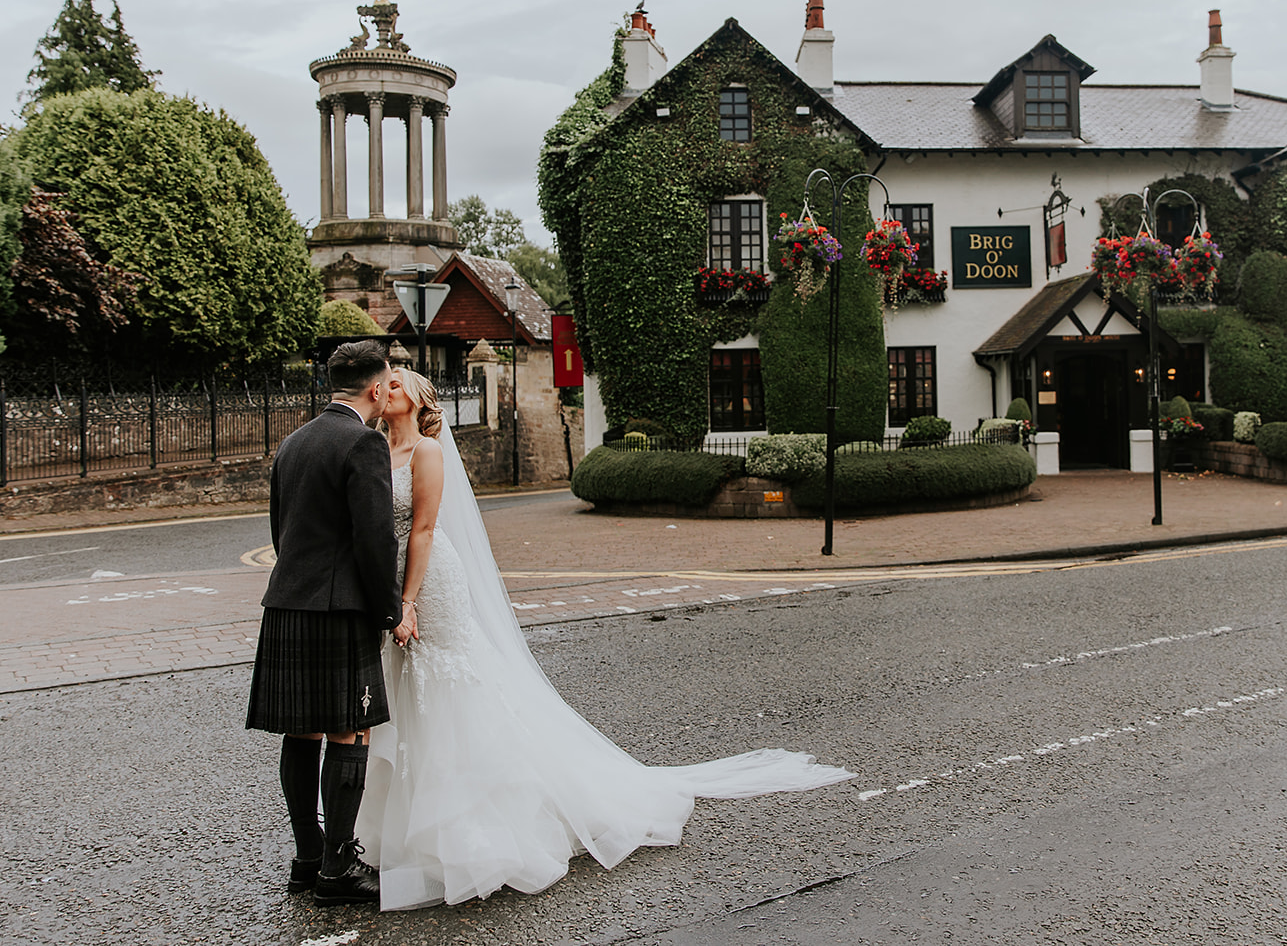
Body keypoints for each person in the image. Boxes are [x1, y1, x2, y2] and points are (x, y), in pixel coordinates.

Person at [360, 367, 854, 910]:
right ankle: (416, 831)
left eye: (397, 385)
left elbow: (425, 530)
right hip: (396, 583)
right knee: (409, 692)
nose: (386, 391)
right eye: (384, 385)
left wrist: (407, 600)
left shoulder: (428, 453)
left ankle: (479, 830)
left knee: (451, 690)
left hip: (431, 582)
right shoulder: (375, 449)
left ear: (417, 399)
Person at [245, 339, 407, 908]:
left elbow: (279, 531)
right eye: (389, 383)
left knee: (300, 731)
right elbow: (375, 540)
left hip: (287, 603)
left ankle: (307, 857)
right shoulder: (363, 442)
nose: (392, 391)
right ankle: (338, 867)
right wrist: (389, 610)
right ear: (374, 389)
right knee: (349, 729)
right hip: (339, 610)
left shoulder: (293, 441)